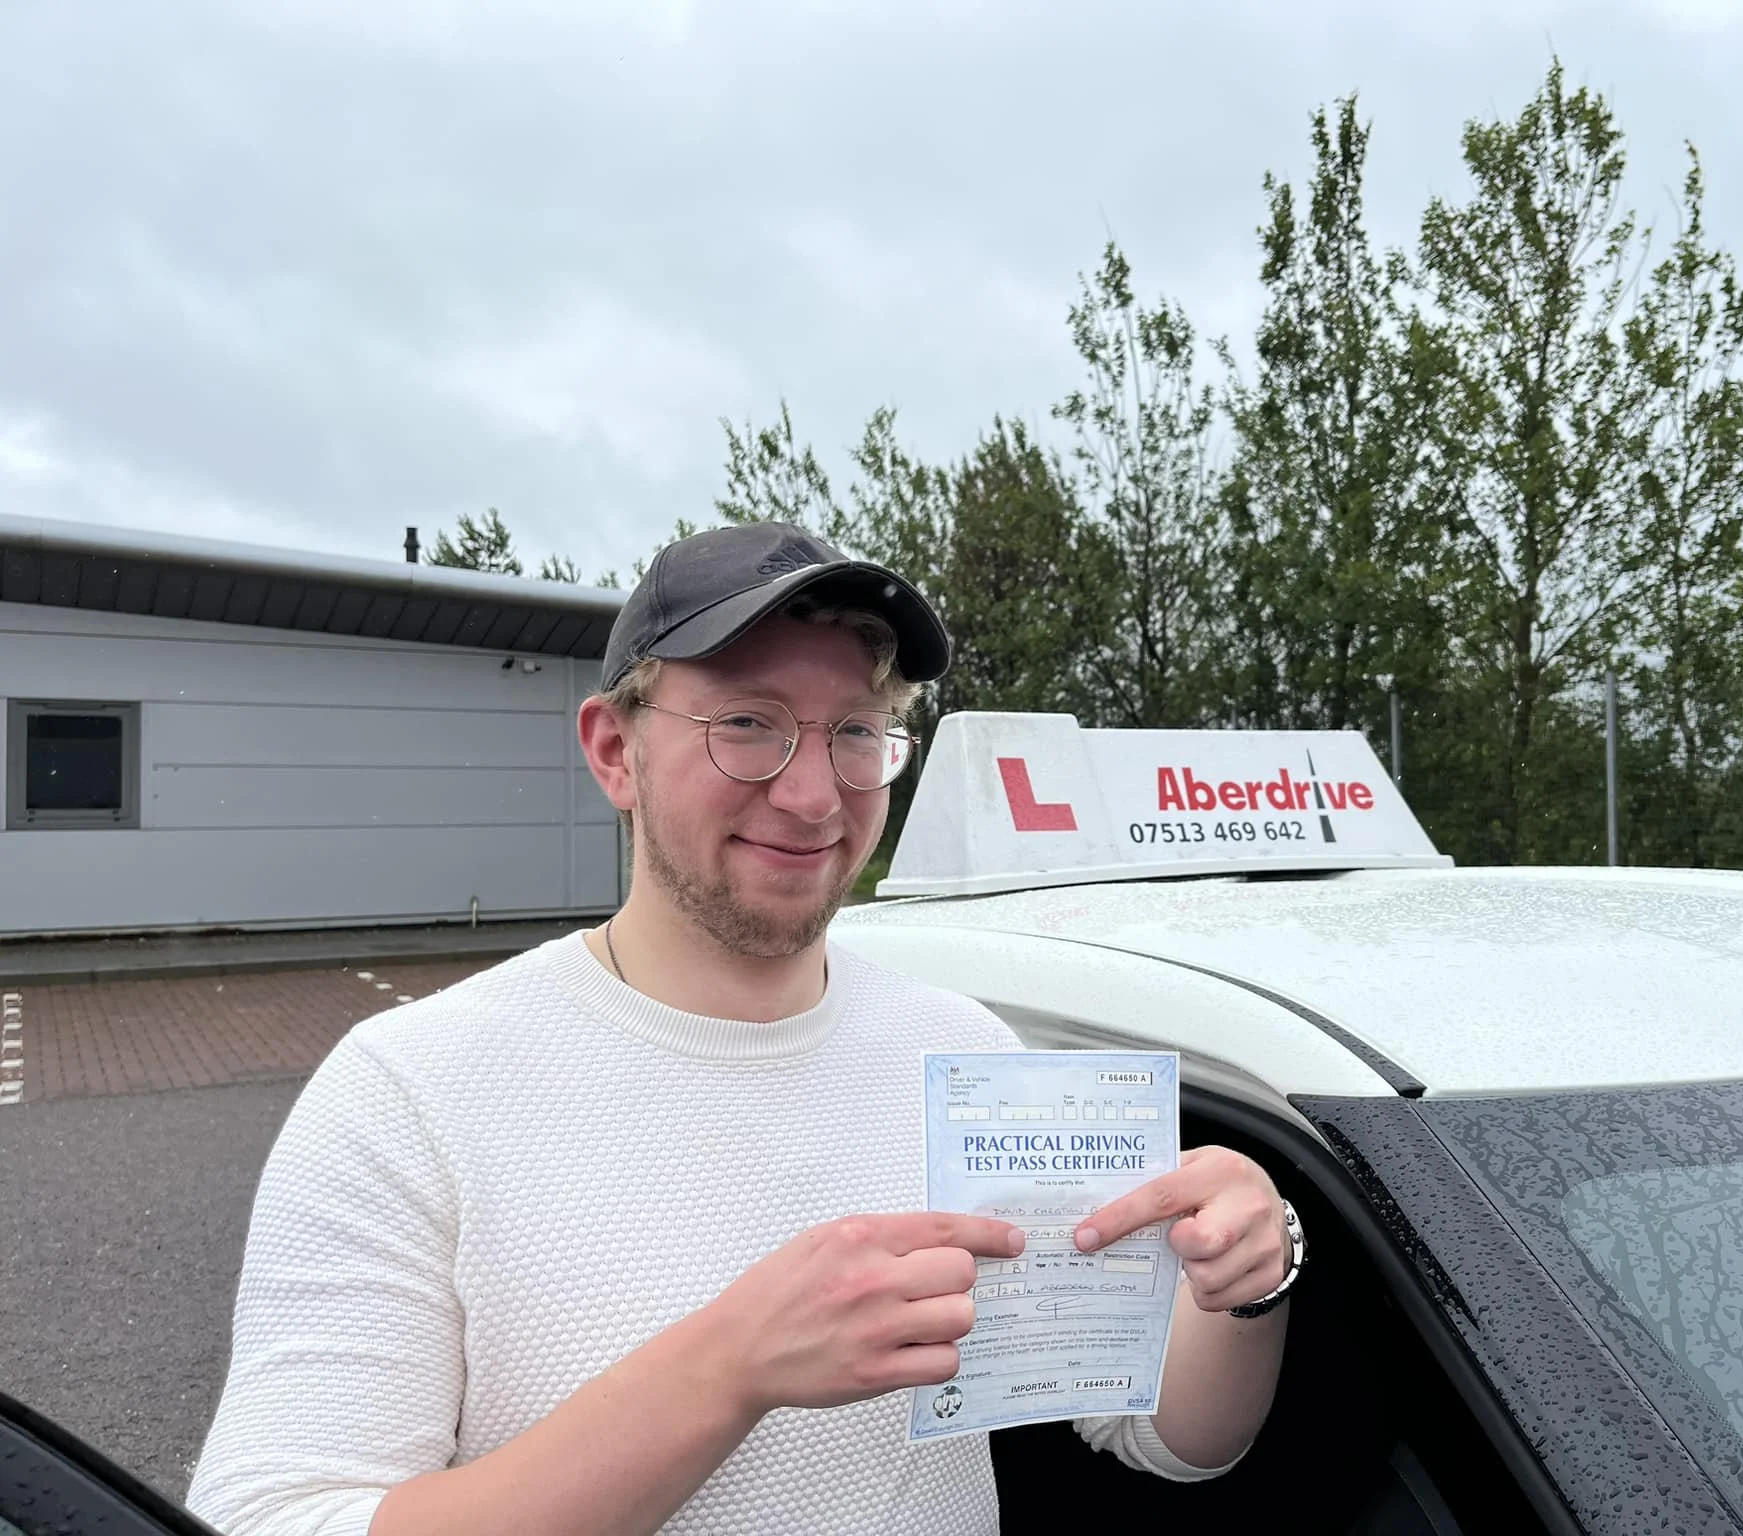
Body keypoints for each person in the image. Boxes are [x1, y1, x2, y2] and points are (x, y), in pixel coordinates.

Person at [187, 523, 1300, 1536]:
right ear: (613, 752)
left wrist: (1246, 1284)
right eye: (748, 726)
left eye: (855, 732)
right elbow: (271, 1518)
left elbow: (1161, 1440)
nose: (815, 795)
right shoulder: (410, 1090)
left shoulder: (961, 1052)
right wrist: (727, 1369)